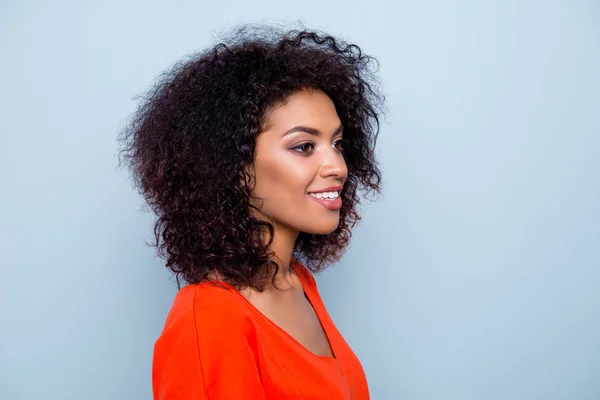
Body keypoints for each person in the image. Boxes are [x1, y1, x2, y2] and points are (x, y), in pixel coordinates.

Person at [118, 23, 384, 400]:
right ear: (234, 166)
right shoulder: (210, 319)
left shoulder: (298, 283)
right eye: (304, 146)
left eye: (337, 143)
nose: (338, 166)